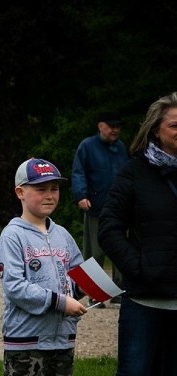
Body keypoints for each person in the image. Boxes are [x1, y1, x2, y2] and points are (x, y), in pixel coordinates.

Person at [96, 92, 177, 376]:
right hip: (143, 298)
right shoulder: (134, 172)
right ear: (156, 131)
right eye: (175, 125)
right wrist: (138, 268)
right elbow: (110, 228)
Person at [0, 158, 87, 376]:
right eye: (41, 189)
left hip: (62, 341)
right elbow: (16, 288)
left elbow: (78, 275)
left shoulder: (62, 236)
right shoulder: (12, 236)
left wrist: (97, 287)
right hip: (26, 344)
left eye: (55, 188)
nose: (49, 195)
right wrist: (63, 302)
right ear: (20, 192)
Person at [71, 110, 129, 303]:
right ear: (100, 125)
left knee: (122, 248)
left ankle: (119, 291)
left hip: (120, 208)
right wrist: (81, 195)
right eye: (111, 126)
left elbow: (127, 175)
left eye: (118, 126)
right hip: (95, 207)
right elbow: (78, 171)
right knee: (95, 252)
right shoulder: (87, 146)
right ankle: (94, 293)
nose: (115, 130)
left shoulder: (121, 147)